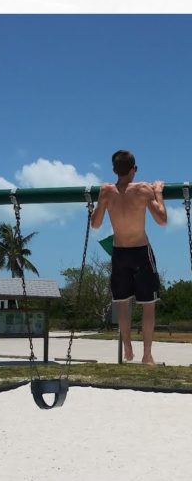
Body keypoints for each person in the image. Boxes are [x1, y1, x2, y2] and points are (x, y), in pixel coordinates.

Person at [91, 149, 166, 365]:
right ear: (133, 169)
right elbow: (161, 220)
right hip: (141, 251)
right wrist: (158, 192)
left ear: (114, 170)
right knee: (148, 304)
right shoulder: (143, 189)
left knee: (122, 304)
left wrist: (98, 203)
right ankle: (147, 354)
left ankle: (127, 347)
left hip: (119, 252)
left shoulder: (106, 191)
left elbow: (95, 224)